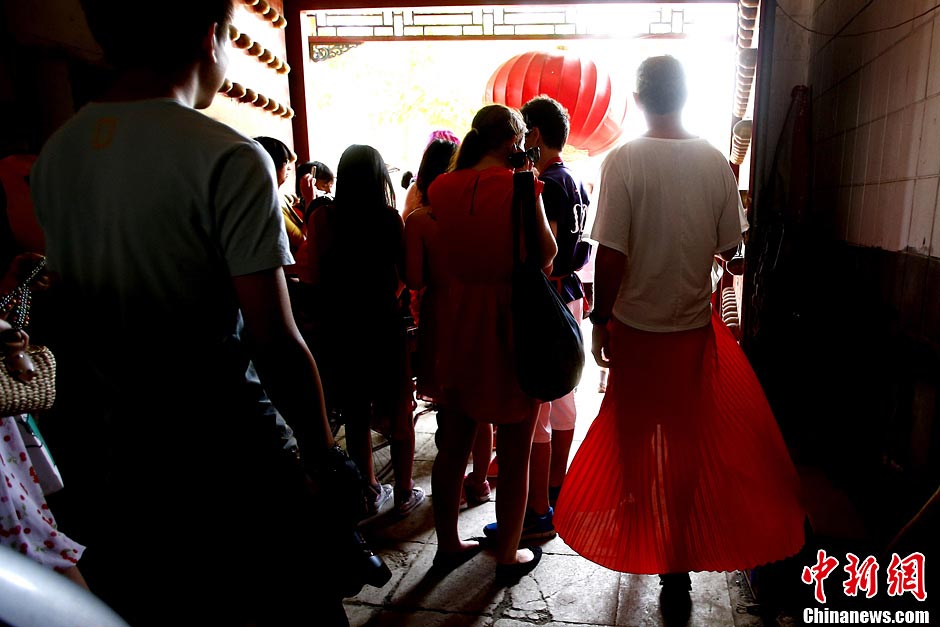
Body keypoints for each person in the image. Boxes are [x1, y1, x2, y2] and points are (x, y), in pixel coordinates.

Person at [30, 1, 364, 623]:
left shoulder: (57, 154)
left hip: (117, 453)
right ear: (210, 38)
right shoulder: (229, 157)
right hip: (228, 448)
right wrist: (323, 456)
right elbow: (274, 338)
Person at [553, 56, 805, 611]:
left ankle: (646, 533)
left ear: (640, 100)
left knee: (635, 437)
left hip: (639, 334)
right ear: (685, 97)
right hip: (692, 332)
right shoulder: (715, 163)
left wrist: (602, 319)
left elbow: (611, 253)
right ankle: (677, 564)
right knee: (689, 442)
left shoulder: (623, 162)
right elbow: (730, 249)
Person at [419, 104, 556, 585]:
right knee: (515, 443)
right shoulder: (521, 184)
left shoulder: (440, 187)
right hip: (510, 318)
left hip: (459, 318)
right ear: (513, 140)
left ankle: (448, 545)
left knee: (453, 441)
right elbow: (545, 254)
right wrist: (528, 180)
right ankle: (507, 553)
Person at [482, 95, 591, 545]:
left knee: (539, 406)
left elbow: (543, 257)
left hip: (547, 299)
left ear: (536, 135)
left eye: (523, 132)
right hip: (570, 298)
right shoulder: (575, 181)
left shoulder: (544, 183)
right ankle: (555, 488)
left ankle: (536, 508)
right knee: (562, 400)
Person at [297, 144, 424, 519]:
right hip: (383, 325)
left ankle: (369, 490)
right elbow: (405, 276)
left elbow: (309, 273)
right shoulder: (389, 220)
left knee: (355, 412)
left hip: (341, 327)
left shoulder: (324, 218)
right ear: (379, 177)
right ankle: (403, 491)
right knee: (399, 408)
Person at [402, 137, 492, 508]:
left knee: (449, 410)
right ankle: (481, 482)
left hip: (441, 315)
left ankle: (451, 492)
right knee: (482, 407)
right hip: (479, 308)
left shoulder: (420, 221)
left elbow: (414, 278)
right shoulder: (480, 211)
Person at [254, 136, 304, 258]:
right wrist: (310, 199)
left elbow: (289, 199)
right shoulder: (268, 204)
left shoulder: (277, 196)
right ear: (270, 164)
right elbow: (303, 241)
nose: (289, 168)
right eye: (285, 162)